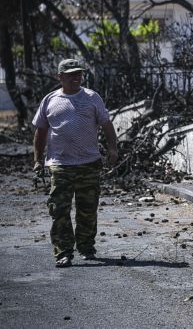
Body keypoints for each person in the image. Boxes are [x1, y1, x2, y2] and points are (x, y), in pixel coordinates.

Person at [33, 59, 118, 268]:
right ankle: (63, 252)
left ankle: (86, 246)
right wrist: (37, 160)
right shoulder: (50, 100)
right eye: (70, 74)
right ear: (60, 77)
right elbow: (41, 131)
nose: (76, 77)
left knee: (87, 209)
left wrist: (112, 148)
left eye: (78, 73)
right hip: (60, 164)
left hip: (89, 162)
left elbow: (106, 124)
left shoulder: (91, 98)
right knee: (59, 209)